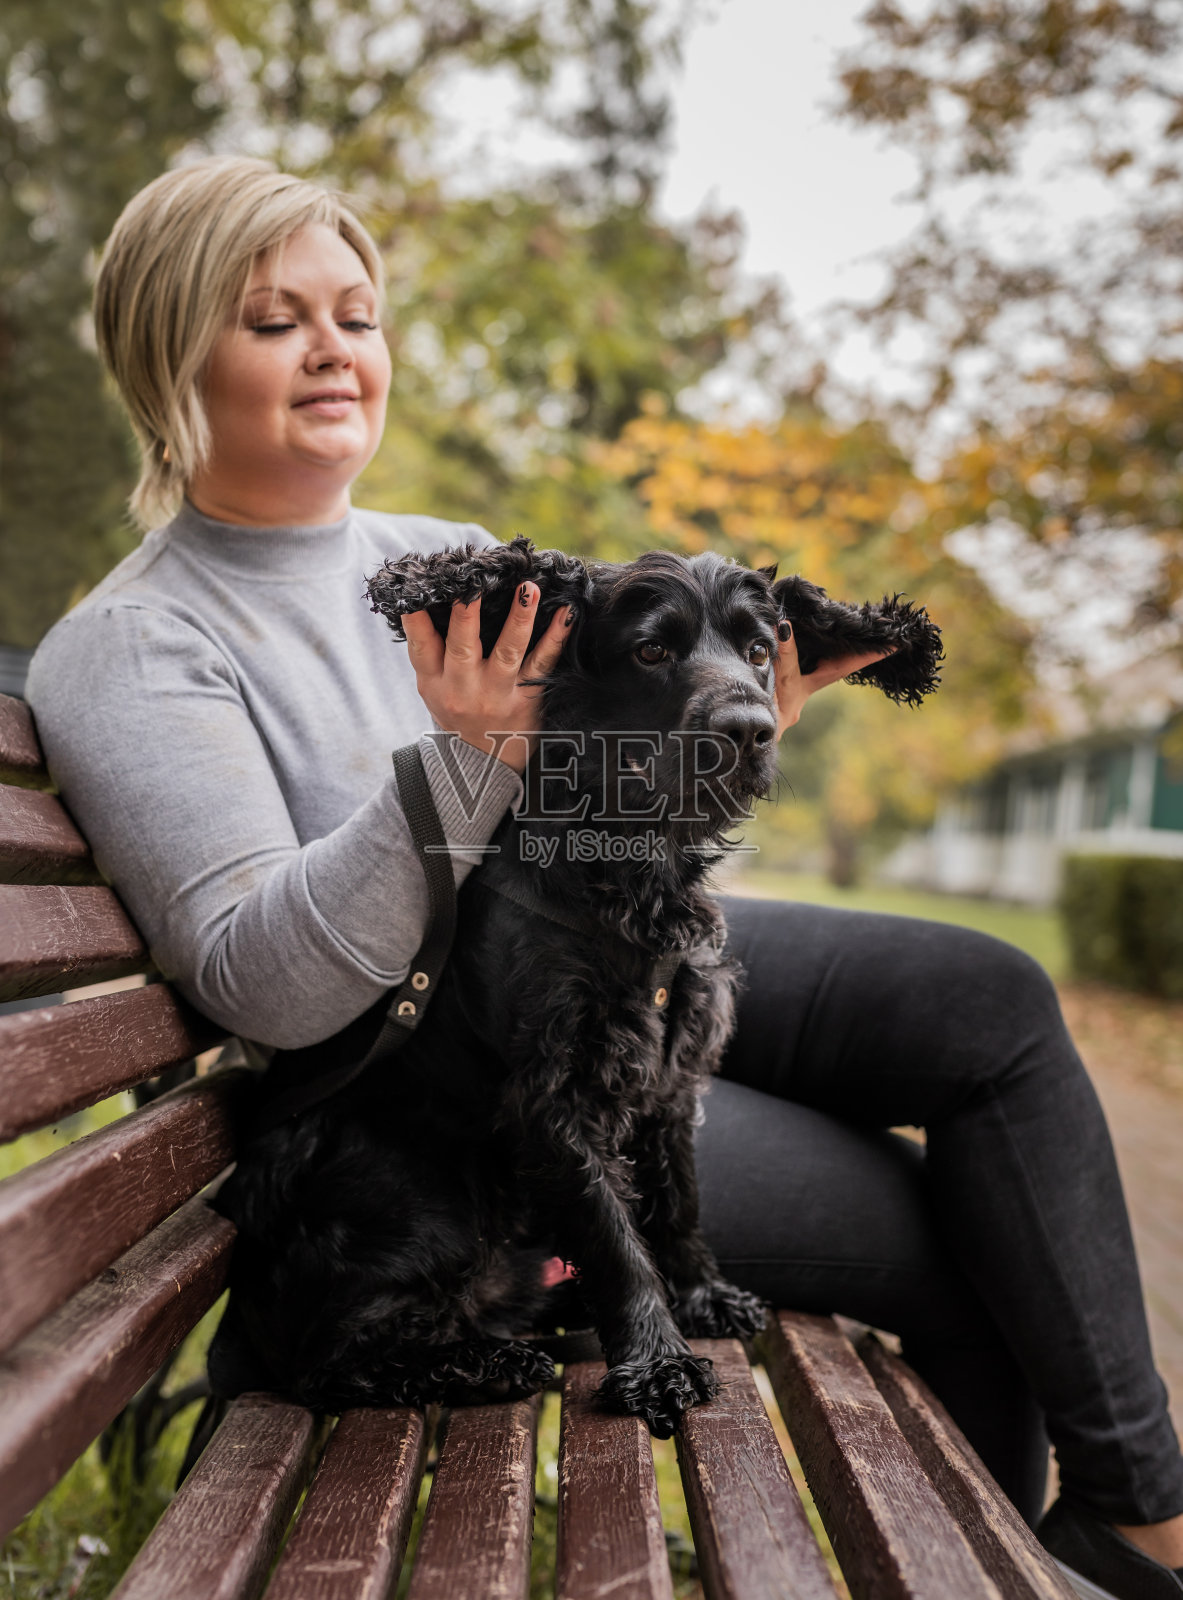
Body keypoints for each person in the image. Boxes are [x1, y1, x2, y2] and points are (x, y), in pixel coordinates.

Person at [26, 156, 1183, 1599]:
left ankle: (1138, 1520)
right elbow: (269, 978)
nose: (333, 347)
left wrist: (726, 713)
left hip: (612, 958)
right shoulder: (139, 646)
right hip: (459, 1088)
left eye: (357, 313)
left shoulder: (441, 554)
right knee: (935, 1229)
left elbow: (666, 664)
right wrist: (463, 763)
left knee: (987, 996)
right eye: (271, 320)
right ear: (164, 351)